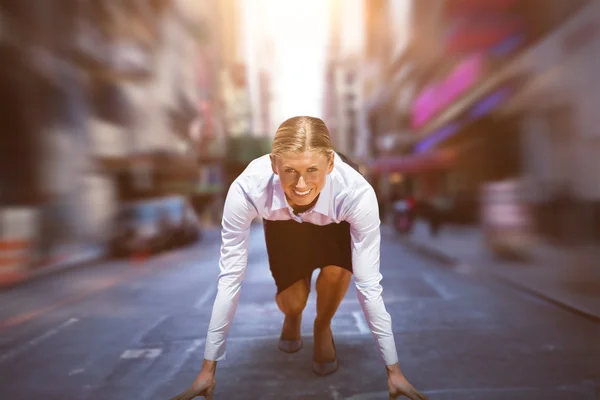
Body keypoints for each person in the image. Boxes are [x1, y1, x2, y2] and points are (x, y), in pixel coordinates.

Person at [171, 116, 427, 400]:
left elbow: (369, 285)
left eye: (312, 169)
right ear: (273, 165)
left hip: (335, 220)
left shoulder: (356, 194)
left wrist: (394, 371)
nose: (302, 183)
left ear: (330, 164)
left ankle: (322, 325)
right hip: (284, 223)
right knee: (293, 301)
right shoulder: (248, 189)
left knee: (337, 270)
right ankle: (293, 316)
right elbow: (230, 279)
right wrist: (208, 370)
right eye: (290, 170)